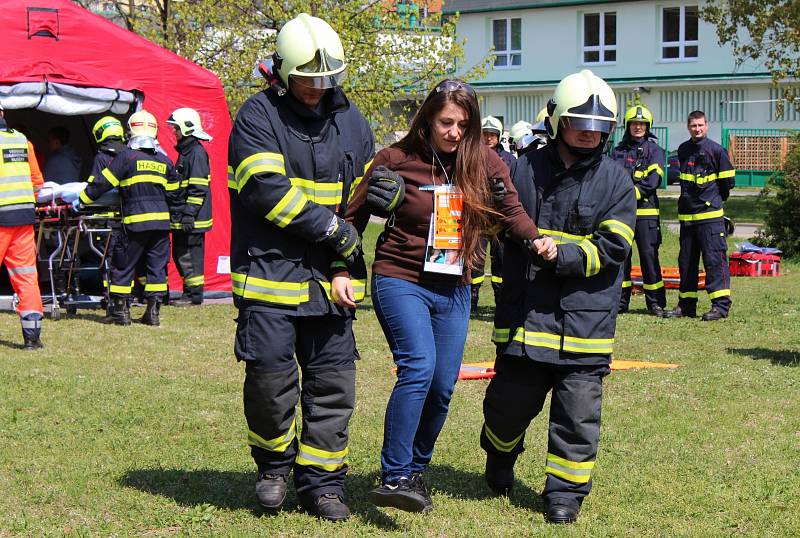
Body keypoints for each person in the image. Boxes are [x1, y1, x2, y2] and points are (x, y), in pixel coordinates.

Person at [335, 79, 555, 513]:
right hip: (401, 278)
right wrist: (342, 268)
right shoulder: (395, 159)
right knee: (418, 367)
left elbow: (511, 211)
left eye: (463, 124)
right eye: (446, 123)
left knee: (441, 385)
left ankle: (416, 470)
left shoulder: (485, 162)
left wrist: (535, 239)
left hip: (455, 284)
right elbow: (352, 216)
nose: (454, 132)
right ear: (428, 120)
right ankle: (395, 474)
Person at [227, 13, 374, 522]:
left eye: (326, 77)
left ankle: (323, 485)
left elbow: (355, 210)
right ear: (280, 73)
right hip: (269, 280)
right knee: (270, 387)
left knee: (333, 388)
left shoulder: (353, 121)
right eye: (306, 77)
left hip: (329, 283)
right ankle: (272, 469)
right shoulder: (256, 116)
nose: (316, 87)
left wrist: (343, 259)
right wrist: (331, 230)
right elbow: (266, 190)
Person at [482, 69, 636, 524]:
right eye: (579, 125)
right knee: (505, 410)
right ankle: (500, 456)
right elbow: (496, 218)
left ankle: (564, 495)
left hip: (583, 329)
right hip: (525, 320)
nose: (589, 135)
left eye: (598, 128)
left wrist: (562, 254)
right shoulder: (522, 169)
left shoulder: (616, 181)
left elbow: (613, 247)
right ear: (556, 122)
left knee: (577, 418)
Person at [75, 110, 178, 327]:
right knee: (156, 268)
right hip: (161, 224)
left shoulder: (126, 157)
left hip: (135, 222)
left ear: (131, 132)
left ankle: (121, 313)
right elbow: (174, 193)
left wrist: (82, 199)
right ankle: (153, 313)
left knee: (123, 265)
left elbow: (103, 183)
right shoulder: (164, 160)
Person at [663, 110, 735, 321]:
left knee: (715, 262)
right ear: (688, 127)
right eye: (693, 125)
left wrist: (713, 201)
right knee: (686, 263)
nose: (697, 129)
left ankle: (720, 307)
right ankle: (686, 306)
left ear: (707, 125)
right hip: (687, 219)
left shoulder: (716, 151)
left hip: (710, 219)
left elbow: (727, 184)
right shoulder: (683, 150)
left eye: (700, 125)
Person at [611, 104, 667, 315]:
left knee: (649, 258)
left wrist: (626, 196)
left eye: (642, 124)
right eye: (634, 123)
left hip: (646, 214)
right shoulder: (618, 151)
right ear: (628, 125)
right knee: (621, 258)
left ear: (648, 126)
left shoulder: (655, 151)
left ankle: (655, 303)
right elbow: (612, 179)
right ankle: (620, 302)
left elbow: (653, 182)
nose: (638, 127)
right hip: (622, 215)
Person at [0, 103, 45, 349]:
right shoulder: (21, 140)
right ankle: (32, 337)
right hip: (23, 218)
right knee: (26, 276)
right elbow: (37, 183)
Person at [166, 108, 213, 306]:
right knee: (182, 254)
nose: (174, 131)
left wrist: (189, 214)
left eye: (176, 128)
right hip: (184, 215)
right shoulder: (187, 152)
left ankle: (194, 295)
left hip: (192, 218)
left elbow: (198, 187)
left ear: (186, 128)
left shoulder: (196, 153)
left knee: (189, 256)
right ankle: (190, 292)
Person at [471, 115, 517, 312]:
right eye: (485, 134)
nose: (489, 138)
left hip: (500, 221)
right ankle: (472, 301)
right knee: (475, 262)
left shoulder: (509, 160)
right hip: (478, 220)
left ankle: (501, 301)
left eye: (492, 135)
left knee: (501, 264)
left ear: (499, 137)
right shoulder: (471, 156)